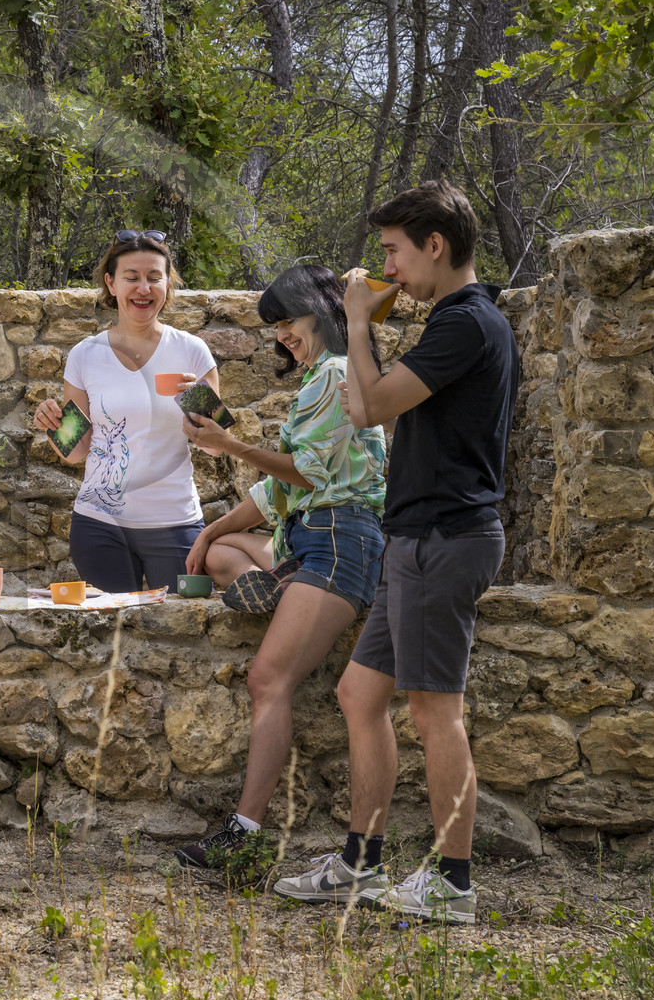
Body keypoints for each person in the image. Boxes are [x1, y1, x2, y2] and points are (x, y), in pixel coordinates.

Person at [272, 181, 518, 925]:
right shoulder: (451, 321)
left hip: (446, 537)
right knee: (359, 693)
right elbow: (360, 405)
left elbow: (373, 404)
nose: (386, 269)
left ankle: (452, 881)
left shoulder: (467, 322)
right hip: (411, 539)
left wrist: (354, 319)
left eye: (393, 252)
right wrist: (361, 329)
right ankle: (362, 865)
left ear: (434, 245)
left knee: (436, 710)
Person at [170, 264, 387, 869]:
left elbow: (307, 476)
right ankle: (278, 582)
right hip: (312, 535)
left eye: (287, 320)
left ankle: (244, 835)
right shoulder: (322, 375)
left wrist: (229, 445)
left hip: (339, 538)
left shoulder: (336, 373)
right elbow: (279, 492)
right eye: (275, 326)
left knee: (268, 680)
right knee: (219, 553)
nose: (281, 335)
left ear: (322, 311)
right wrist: (211, 529)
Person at [30, 230, 223, 591]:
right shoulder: (85, 355)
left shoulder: (192, 351)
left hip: (175, 522)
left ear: (167, 283)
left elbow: (217, 445)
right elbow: (77, 451)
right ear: (111, 283)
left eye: (154, 277)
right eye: (131, 277)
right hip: (100, 524)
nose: (143, 288)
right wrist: (52, 424)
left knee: (179, 621)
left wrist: (197, 400)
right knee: (112, 624)